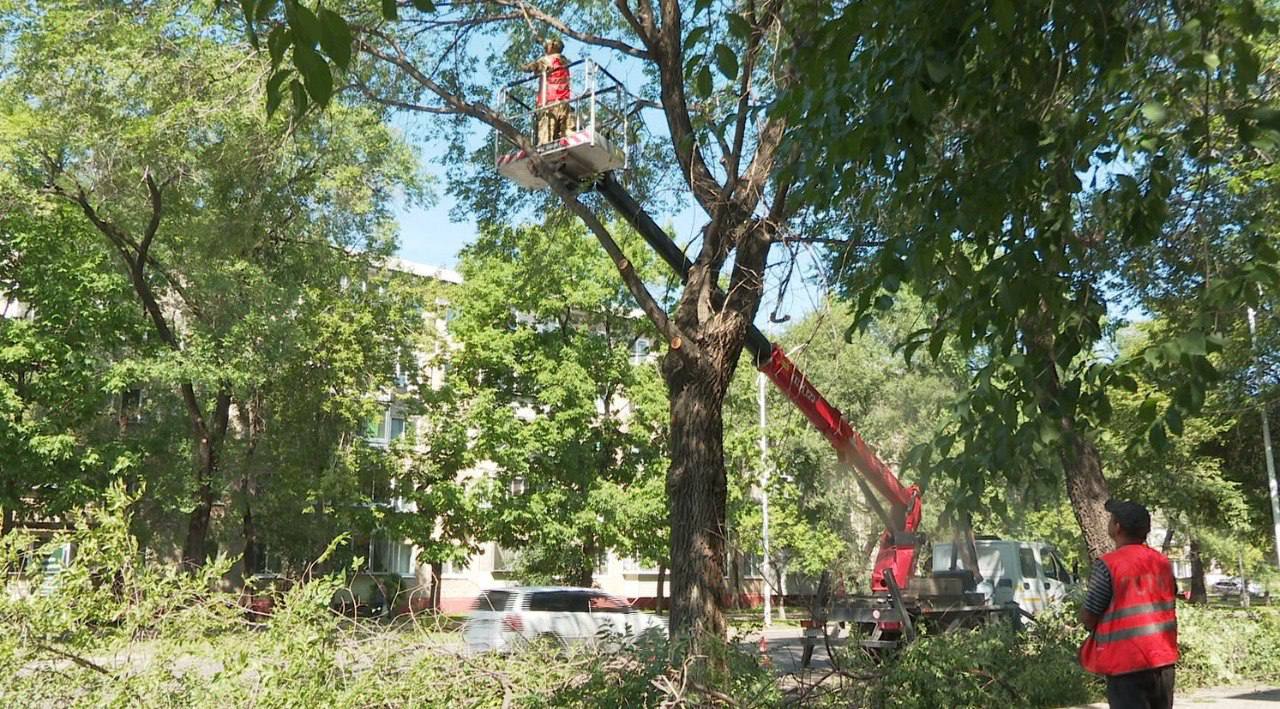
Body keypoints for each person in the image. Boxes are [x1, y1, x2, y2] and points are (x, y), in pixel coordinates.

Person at [1079, 500, 1179, 709]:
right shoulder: (1163, 562)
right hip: (1162, 659)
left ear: (1117, 527)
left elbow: (1090, 615)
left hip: (1126, 664)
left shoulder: (1108, 564)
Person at [521, 37, 572, 145]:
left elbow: (533, 67)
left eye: (547, 45)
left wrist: (524, 67)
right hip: (564, 102)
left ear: (552, 47)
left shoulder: (546, 60)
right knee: (566, 135)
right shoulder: (564, 62)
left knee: (546, 138)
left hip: (549, 103)